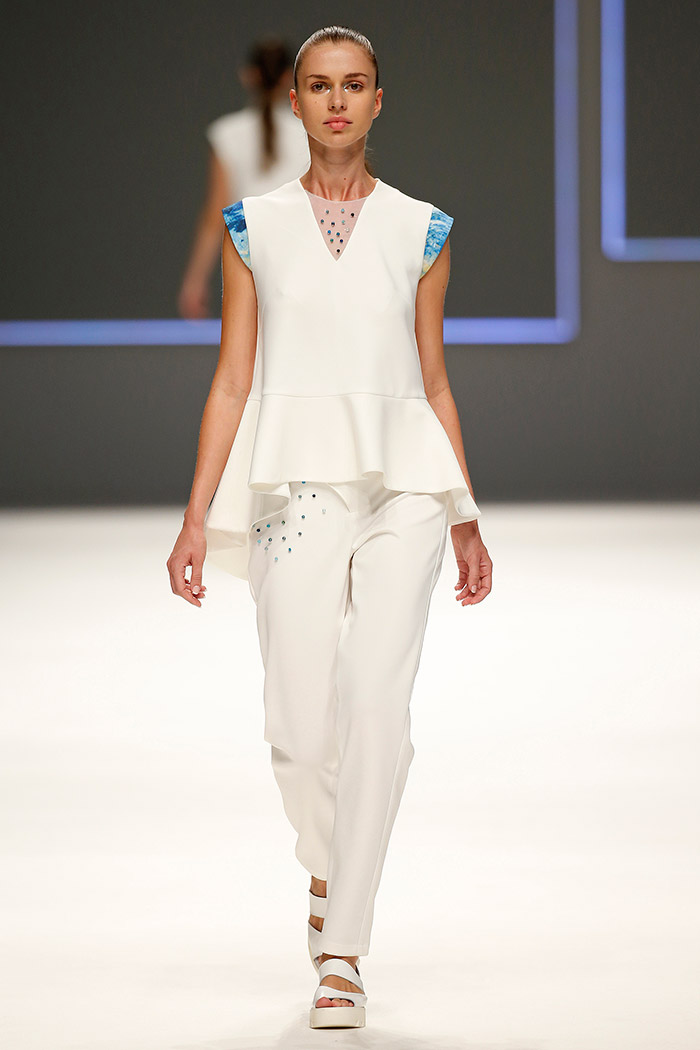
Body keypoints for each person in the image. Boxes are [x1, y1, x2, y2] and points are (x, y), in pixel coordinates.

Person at [166, 24, 493, 1030]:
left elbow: (434, 379)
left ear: (378, 100)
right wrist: (195, 512)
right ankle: (328, 865)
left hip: (406, 489)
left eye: (354, 85)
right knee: (299, 731)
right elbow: (233, 380)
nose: (337, 101)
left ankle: (341, 950)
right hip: (293, 486)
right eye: (320, 85)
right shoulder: (252, 227)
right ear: (298, 101)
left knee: (377, 709)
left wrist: (466, 514)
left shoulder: (423, 228)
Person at [178, 36, 310, 319]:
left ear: (249, 76)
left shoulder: (226, 133)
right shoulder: (308, 131)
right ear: (289, 78)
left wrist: (195, 280)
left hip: (246, 251)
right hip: (301, 250)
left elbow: (216, 211)